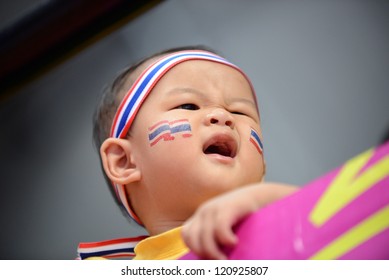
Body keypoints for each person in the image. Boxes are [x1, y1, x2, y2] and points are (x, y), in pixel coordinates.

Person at [86, 45, 297, 260]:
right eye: (189, 106)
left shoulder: (287, 225)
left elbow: (328, 215)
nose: (222, 116)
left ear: (262, 166)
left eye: (239, 111)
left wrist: (268, 201)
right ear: (124, 162)